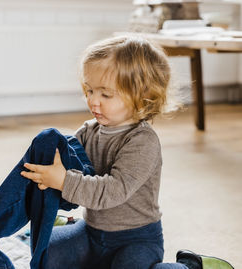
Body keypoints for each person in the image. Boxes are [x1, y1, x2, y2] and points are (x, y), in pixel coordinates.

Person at [20, 35, 234, 269]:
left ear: (143, 96)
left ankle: (191, 266)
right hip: (91, 232)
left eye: (105, 94)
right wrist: (49, 169)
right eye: (89, 90)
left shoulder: (142, 141)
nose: (93, 101)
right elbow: (70, 162)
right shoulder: (88, 131)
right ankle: (69, 227)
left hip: (136, 240)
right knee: (43, 255)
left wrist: (63, 181)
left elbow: (113, 191)